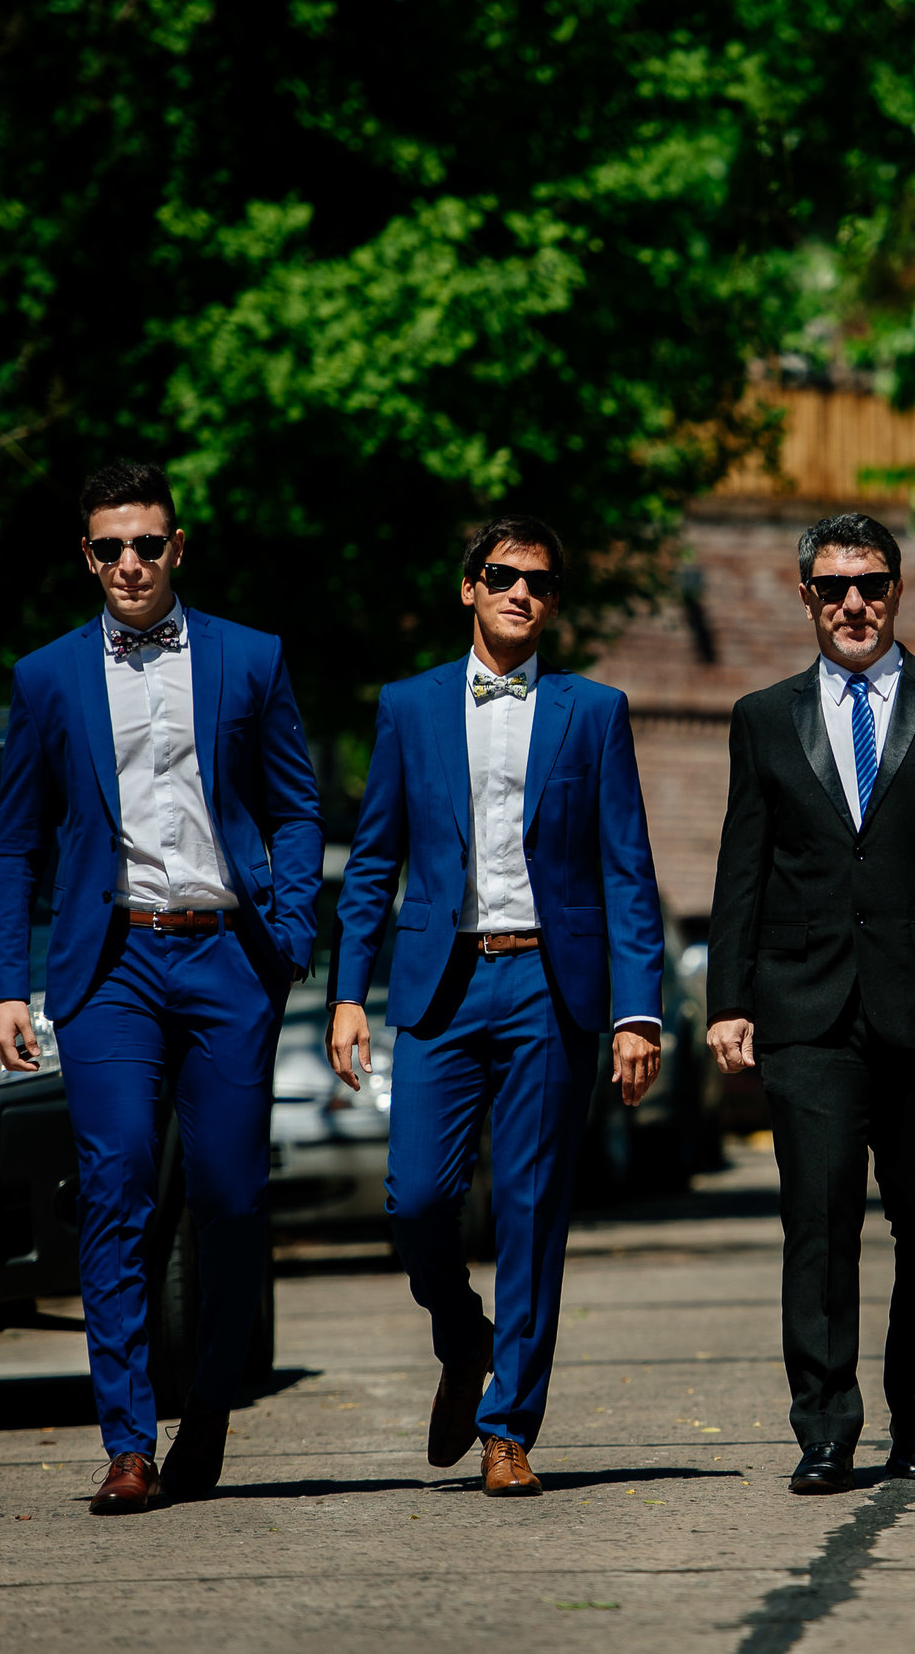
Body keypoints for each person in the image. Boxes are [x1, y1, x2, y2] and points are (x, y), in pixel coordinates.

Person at [0, 460, 321, 1515]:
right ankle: (128, 1442)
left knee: (229, 1196)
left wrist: (293, 928)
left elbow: (299, 803)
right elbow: (13, 845)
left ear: (179, 548)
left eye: (147, 543)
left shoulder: (249, 658)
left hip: (227, 956)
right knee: (117, 1183)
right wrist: (4, 985)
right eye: (108, 547)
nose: (130, 563)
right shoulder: (46, 678)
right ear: (86, 556)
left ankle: (209, 1405)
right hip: (111, 964)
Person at [328, 515, 665, 1497]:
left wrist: (637, 1010)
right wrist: (349, 992)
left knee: (529, 1209)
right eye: (503, 575)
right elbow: (375, 863)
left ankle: (508, 1424)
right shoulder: (408, 706)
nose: (523, 592)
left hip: (548, 987)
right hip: (441, 982)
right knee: (416, 1198)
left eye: (541, 582)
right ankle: (462, 1336)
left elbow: (627, 871)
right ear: (467, 587)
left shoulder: (592, 711)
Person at [705, 511, 915, 1494]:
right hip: (804, 1010)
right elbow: (741, 870)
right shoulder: (762, 717)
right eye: (835, 585)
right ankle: (826, 1427)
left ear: (899, 590)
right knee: (819, 1213)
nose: (855, 602)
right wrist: (727, 998)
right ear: (805, 593)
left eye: (873, 584)